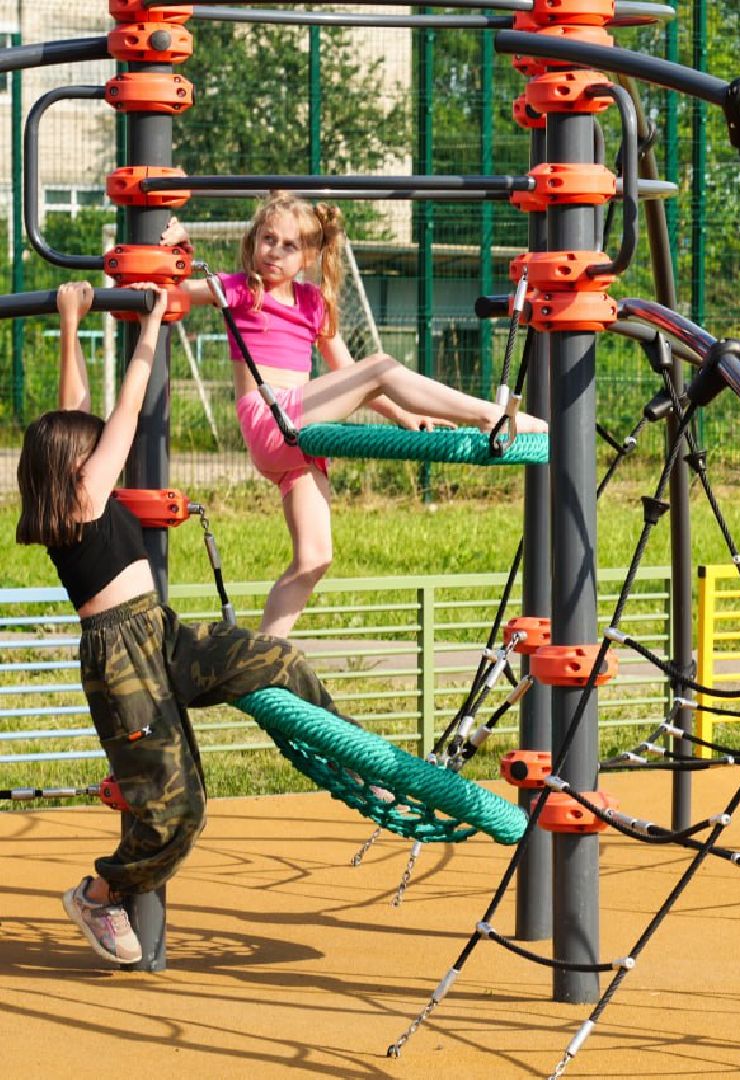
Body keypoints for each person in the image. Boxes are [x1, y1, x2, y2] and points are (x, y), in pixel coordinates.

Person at [16, 281, 346, 966]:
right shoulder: (82, 497)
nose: (98, 443)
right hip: (120, 663)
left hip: (159, 633)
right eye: (89, 447)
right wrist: (151, 330)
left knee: (268, 657)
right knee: (175, 811)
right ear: (76, 466)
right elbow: (125, 413)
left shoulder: (70, 480)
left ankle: (347, 750)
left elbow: (70, 410)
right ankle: (100, 893)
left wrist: (72, 324)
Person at [168, 193, 546, 637]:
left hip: (303, 437)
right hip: (272, 419)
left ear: (309, 257)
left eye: (290, 245)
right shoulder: (238, 288)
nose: (274, 250)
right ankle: (492, 415)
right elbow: (172, 291)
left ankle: (265, 654)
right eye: (267, 239)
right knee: (381, 366)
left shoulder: (313, 304)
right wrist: (178, 250)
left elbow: (349, 378)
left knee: (314, 558)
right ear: (252, 243)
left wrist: (401, 414)